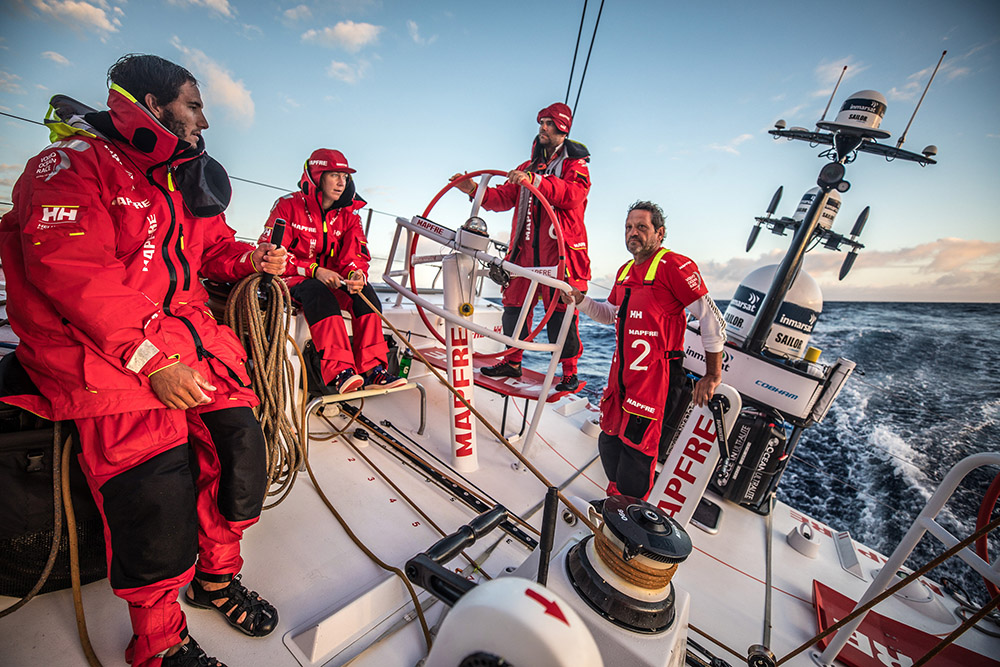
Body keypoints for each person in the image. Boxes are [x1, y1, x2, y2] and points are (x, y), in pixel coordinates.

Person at [0, 54, 286, 667]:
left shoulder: (180, 178)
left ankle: (215, 580)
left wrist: (249, 260)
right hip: (95, 351)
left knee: (240, 454)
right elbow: (71, 271)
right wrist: (150, 358)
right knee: (153, 492)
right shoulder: (71, 165)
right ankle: (158, 641)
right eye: (194, 105)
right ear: (152, 106)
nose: (204, 121)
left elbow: (211, 249)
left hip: (187, 340)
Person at [564, 201, 726, 500]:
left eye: (641, 227)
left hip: (656, 378)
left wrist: (712, 374)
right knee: (609, 442)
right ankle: (614, 502)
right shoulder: (625, 270)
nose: (633, 233)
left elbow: (711, 319)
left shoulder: (674, 265)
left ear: (659, 233)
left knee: (637, 453)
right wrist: (581, 300)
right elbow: (610, 314)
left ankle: (631, 512)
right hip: (622, 375)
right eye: (628, 227)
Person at [450, 102, 591, 392]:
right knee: (514, 305)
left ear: (562, 129)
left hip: (559, 253)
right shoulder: (526, 168)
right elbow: (502, 198)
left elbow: (572, 195)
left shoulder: (575, 166)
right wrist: (473, 189)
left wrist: (536, 181)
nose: (542, 127)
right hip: (524, 251)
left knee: (561, 311)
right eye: (541, 122)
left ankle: (569, 373)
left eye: (549, 123)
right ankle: (512, 361)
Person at [259, 149, 405, 394]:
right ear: (317, 176)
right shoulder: (288, 205)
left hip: (331, 281)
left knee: (365, 295)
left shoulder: (350, 214)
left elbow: (355, 256)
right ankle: (340, 372)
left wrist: (356, 275)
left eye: (345, 177)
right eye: (334, 175)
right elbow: (272, 252)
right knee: (318, 293)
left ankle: (374, 370)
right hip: (291, 278)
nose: (341, 182)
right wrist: (314, 270)